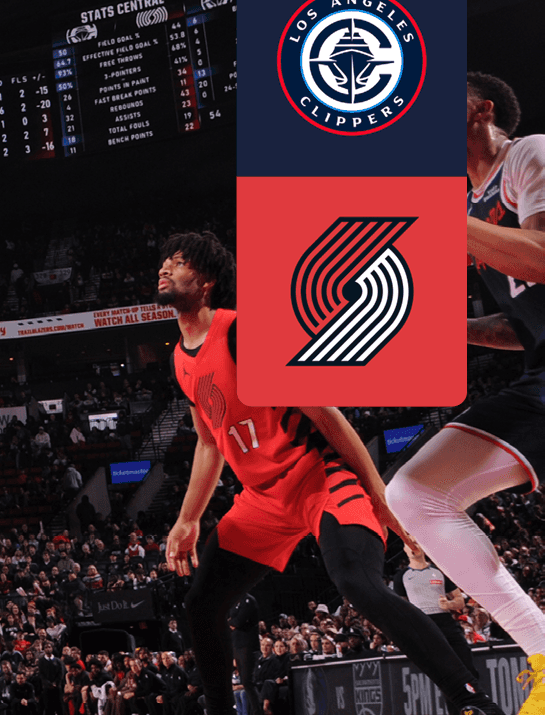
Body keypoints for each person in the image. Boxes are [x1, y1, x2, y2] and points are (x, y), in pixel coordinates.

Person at [154, 231, 502, 715]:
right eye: (165, 262)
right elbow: (209, 442)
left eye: (178, 262)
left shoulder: (242, 332)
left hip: (317, 474)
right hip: (262, 499)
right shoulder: (179, 358)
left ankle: (469, 699)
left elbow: (326, 414)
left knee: (358, 584)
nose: (164, 268)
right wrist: (188, 517)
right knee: (201, 604)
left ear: (207, 281)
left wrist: (379, 496)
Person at [385, 70, 545, 715]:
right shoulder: (470, 205)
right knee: (413, 493)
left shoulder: (529, 154)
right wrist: (450, 329)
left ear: (481, 110)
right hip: (540, 373)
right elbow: (522, 325)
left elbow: (540, 258)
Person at [400, 545, 477, 674]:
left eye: (415, 543)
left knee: (465, 659)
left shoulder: (439, 572)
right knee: (440, 667)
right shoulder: (401, 576)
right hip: (421, 622)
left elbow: (460, 601)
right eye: (408, 545)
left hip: (444, 619)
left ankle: (473, 685)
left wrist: (449, 604)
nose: (412, 547)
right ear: (405, 550)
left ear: (423, 547)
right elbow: (400, 607)